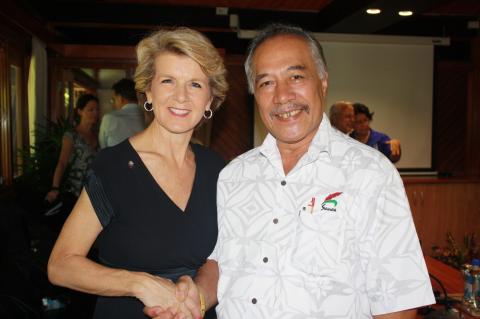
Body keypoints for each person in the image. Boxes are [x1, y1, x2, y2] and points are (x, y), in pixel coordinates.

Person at [146, 23, 435, 319]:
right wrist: (196, 297)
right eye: (266, 83)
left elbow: (397, 303)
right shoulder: (235, 175)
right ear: (254, 94)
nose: (282, 96)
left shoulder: (370, 174)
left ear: (322, 82)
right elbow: (222, 262)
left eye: (295, 76)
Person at [47, 27, 228, 319]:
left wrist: (199, 297)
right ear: (148, 91)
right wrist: (139, 283)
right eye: (168, 81)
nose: (181, 96)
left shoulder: (216, 168)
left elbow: (223, 256)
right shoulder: (114, 166)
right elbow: (60, 265)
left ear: (209, 99)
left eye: (195, 84)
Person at [45, 94, 99, 221]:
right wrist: (55, 188)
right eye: (90, 109)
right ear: (80, 111)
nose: (95, 113)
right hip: (75, 191)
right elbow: (62, 162)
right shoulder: (72, 135)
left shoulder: (98, 135)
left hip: (94, 192)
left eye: (97, 109)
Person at [99, 78, 146, 148]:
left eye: (113, 99)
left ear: (120, 98)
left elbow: (103, 147)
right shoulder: (148, 117)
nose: (113, 103)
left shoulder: (109, 118)